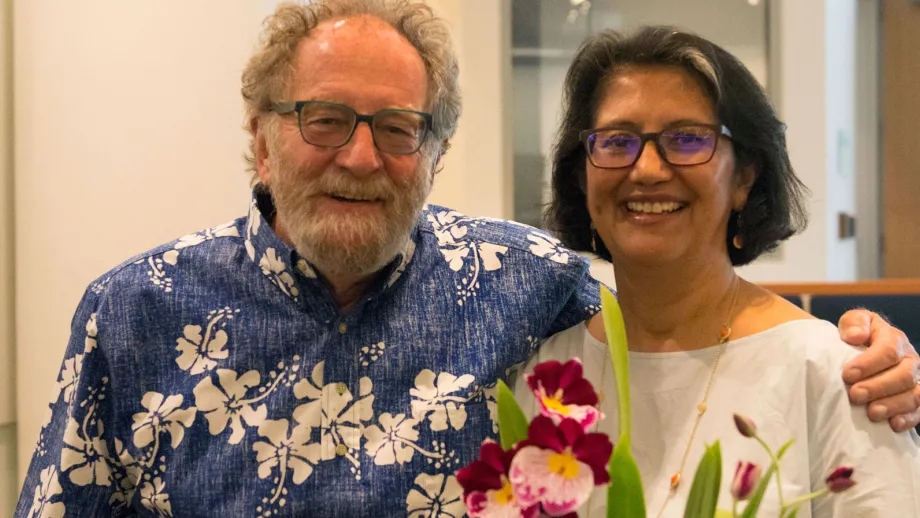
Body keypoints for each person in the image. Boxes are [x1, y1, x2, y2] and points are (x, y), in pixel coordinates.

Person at [13, 2, 919, 517]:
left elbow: (681, 298)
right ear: (261, 140)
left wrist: (875, 352)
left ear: (435, 150)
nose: (361, 158)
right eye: (324, 120)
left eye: (399, 129)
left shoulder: (523, 289)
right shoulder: (135, 312)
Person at [519, 26, 920, 517]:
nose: (646, 169)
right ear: (582, 176)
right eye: (617, 141)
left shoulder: (832, 374)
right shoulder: (548, 377)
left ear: (744, 180)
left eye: (687, 139)